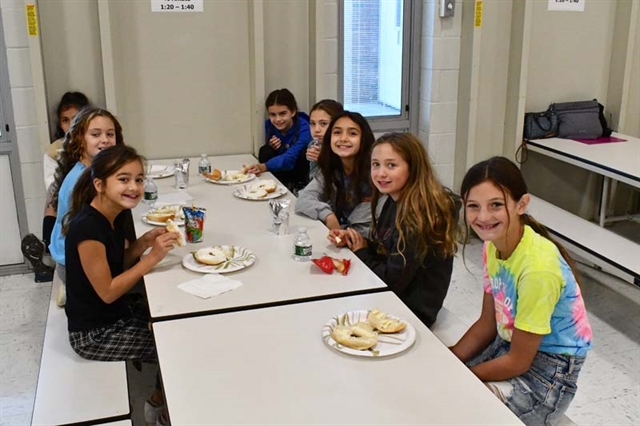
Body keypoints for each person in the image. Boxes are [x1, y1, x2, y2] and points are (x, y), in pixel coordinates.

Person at [450, 156, 593, 425]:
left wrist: (462, 376)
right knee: (443, 387)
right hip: (510, 345)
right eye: (473, 206)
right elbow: (486, 324)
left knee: (465, 407)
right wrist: (448, 359)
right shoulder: (493, 246)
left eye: (495, 205)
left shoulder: (538, 269)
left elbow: (518, 362)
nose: (482, 217)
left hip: (551, 370)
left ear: (521, 204)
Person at [63, 145, 176, 426]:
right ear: (99, 184)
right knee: (171, 343)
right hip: (93, 333)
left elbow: (115, 264)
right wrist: (152, 259)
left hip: (115, 314)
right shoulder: (87, 229)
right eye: (123, 179)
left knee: (172, 323)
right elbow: (109, 290)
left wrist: (142, 243)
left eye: (139, 179)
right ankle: (158, 407)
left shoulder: (113, 214)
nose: (134, 187)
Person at [328, 132, 459, 327]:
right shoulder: (394, 199)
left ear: (413, 169)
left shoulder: (418, 215)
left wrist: (362, 252)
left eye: (391, 165)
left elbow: (392, 281)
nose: (381, 173)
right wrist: (362, 243)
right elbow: (390, 249)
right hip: (396, 298)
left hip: (410, 312)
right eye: (375, 164)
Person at [49, 107, 124, 306]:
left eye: (110, 134)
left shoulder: (90, 170)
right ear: (80, 140)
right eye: (95, 134)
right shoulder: (83, 182)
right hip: (73, 264)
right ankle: (73, 290)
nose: (105, 140)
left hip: (67, 257)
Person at [21, 92, 90, 283]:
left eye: (75, 119)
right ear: (60, 124)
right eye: (65, 120)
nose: (70, 125)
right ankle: (46, 249)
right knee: (52, 196)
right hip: (68, 198)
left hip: (95, 196)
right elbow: (52, 184)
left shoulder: (96, 142)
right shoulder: (55, 150)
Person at [295, 111, 379, 237]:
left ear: (364, 139)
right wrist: (328, 215)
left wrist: (346, 232)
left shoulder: (376, 172)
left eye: (352, 133)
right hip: (342, 238)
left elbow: (379, 223)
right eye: (337, 132)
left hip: (370, 245)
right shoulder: (333, 168)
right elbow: (303, 199)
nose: (343, 139)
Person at [245, 88, 312, 192]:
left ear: (293, 111)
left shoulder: (305, 127)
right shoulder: (270, 125)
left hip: (297, 167)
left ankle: (299, 186)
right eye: (273, 115)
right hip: (281, 167)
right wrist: (272, 147)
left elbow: (292, 156)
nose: (278, 119)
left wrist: (264, 166)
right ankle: (275, 182)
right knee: (265, 150)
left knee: (304, 152)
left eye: (282, 113)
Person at [305, 99, 343, 180]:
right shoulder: (314, 144)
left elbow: (344, 181)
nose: (316, 129)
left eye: (323, 124)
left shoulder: (344, 147)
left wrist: (325, 161)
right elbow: (313, 178)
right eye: (312, 123)